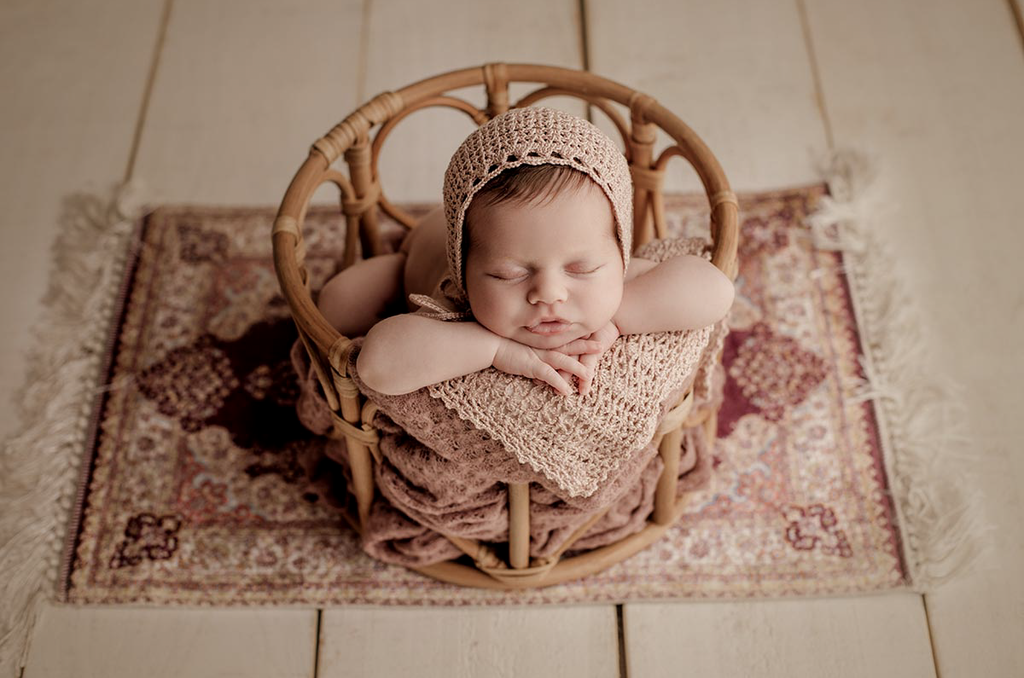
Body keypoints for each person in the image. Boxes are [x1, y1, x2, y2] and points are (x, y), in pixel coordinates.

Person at [317, 107, 734, 397]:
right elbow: (377, 364)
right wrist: (494, 349)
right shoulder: (454, 302)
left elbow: (714, 290)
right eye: (507, 274)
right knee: (335, 304)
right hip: (414, 251)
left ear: (620, 254)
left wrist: (617, 320)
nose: (549, 293)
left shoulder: (616, 278)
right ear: (465, 272)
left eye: (581, 268)